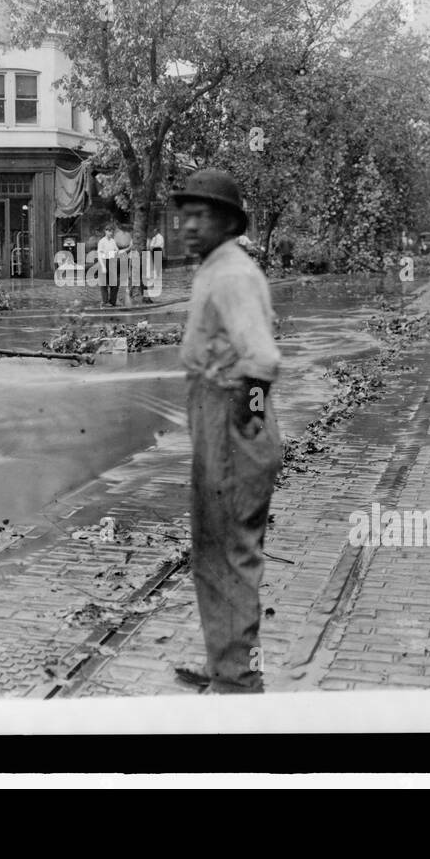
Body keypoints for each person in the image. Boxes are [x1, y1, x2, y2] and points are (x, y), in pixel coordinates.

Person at [172, 170, 282, 694]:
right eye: (185, 215)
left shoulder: (232, 275)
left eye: (201, 216)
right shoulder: (216, 267)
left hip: (230, 416)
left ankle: (238, 682)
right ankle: (227, 664)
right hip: (216, 411)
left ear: (228, 222)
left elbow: (262, 360)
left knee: (229, 551)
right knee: (212, 546)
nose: (188, 225)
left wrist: (246, 421)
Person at [96, 223, 119, 307]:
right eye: (109, 231)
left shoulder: (113, 241)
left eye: (112, 231)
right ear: (105, 231)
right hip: (104, 261)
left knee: (115, 283)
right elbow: (99, 254)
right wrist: (103, 266)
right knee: (104, 284)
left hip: (112, 261)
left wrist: (115, 252)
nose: (111, 233)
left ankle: (112, 301)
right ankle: (105, 302)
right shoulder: (102, 241)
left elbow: (117, 250)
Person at [143, 227, 165, 302]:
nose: (154, 232)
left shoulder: (160, 237)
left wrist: (153, 246)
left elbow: (159, 245)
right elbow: (151, 245)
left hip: (157, 250)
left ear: (157, 231)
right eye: (153, 231)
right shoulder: (153, 238)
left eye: (155, 231)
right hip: (153, 251)